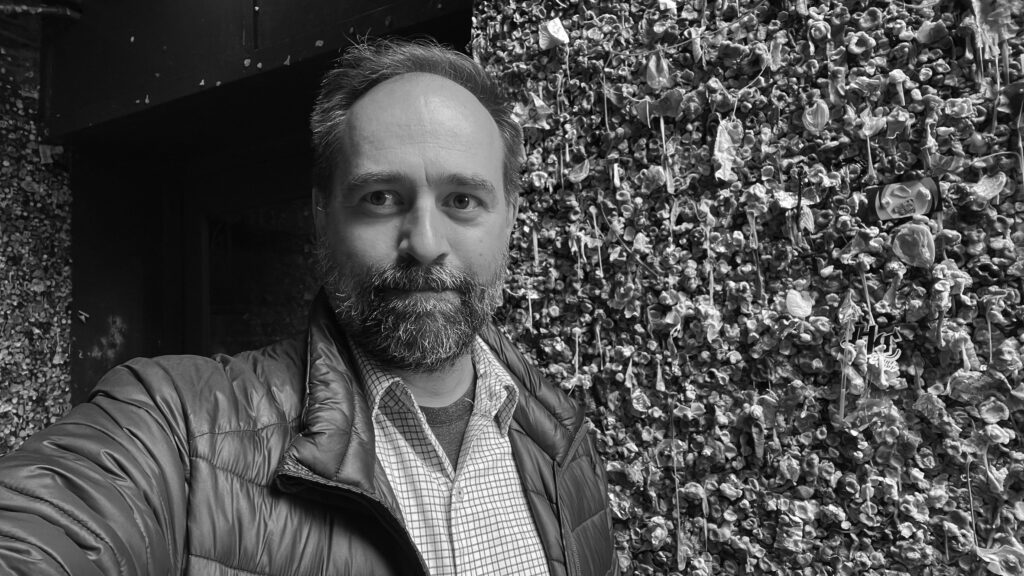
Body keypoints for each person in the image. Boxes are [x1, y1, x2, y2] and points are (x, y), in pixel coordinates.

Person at [0, 38, 616, 576]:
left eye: (462, 200)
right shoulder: (181, 431)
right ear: (322, 216)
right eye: (380, 197)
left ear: (510, 216)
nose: (425, 244)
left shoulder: (563, 441)